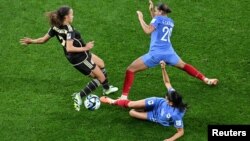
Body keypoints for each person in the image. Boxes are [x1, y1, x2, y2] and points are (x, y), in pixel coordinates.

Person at [19, 6, 118, 111]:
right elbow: (69, 48)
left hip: (81, 54)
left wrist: (31, 41)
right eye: (71, 14)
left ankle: (106, 89)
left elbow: (43, 40)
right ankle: (79, 96)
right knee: (100, 78)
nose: (73, 16)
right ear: (66, 17)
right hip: (81, 58)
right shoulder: (69, 30)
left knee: (101, 64)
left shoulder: (55, 26)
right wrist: (86, 47)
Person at [119, 0, 218, 100]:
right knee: (184, 65)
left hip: (156, 54)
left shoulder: (157, 19)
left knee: (131, 69)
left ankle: (124, 97)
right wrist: (151, 10)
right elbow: (158, 22)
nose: (155, 12)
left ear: (161, 12)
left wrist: (141, 18)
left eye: (156, 11)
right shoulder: (170, 21)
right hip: (169, 53)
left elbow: (148, 30)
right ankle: (206, 79)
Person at [100, 61, 187, 141]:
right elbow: (167, 82)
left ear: (171, 103)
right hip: (156, 103)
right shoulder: (173, 94)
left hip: (155, 116)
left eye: (167, 99)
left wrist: (170, 140)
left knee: (132, 113)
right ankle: (112, 101)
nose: (165, 98)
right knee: (131, 105)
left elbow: (180, 132)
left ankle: (140, 107)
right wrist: (163, 68)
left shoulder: (176, 115)